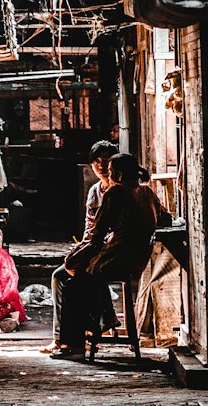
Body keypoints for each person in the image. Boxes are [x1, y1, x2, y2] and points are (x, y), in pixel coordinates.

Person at [53, 153, 174, 359]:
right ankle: (103, 321)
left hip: (115, 259)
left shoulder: (116, 192)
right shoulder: (147, 193)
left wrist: (77, 254)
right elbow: (166, 219)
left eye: (109, 172)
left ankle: (73, 345)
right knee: (81, 279)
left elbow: (97, 232)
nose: (108, 176)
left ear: (116, 174)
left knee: (73, 282)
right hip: (136, 260)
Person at [43, 140, 119, 353]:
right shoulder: (95, 190)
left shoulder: (119, 191)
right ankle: (59, 338)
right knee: (59, 276)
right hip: (93, 247)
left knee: (78, 281)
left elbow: (116, 229)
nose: (101, 166)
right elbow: (89, 227)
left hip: (111, 250)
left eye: (106, 161)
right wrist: (82, 249)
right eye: (97, 161)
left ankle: (79, 336)